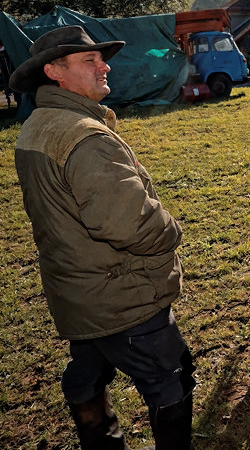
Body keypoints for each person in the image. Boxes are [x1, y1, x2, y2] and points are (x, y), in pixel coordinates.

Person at [10, 26, 195, 450]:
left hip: (77, 288)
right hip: (121, 295)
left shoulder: (38, 125)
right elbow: (129, 223)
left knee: (87, 371)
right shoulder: (83, 136)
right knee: (170, 377)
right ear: (55, 72)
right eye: (89, 60)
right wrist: (171, 231)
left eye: (101, 58)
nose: (104, 65)